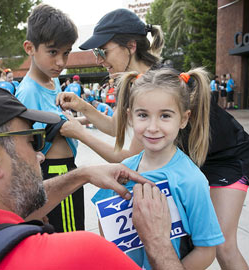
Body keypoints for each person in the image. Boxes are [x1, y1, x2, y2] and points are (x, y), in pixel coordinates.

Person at [57, 8, 249, 269]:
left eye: (103, 51)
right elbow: (118, 126)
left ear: (130, 46)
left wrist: (80, 133)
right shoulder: (134, 82)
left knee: (224, 246)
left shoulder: (163, 81)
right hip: (193, 155)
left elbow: (127, 157)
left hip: (226, 156)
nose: (99, 59)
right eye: (97, 53)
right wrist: (84, 107)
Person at [0, 76, 181, 270]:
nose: (40, 155)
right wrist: (158, 243)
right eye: (33, 141)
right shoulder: (80, 255)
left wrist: (81, 174)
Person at [92, 68, 224, 269]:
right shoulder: (122, 171)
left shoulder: (191, 180)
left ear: (184, 119)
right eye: (143, 115)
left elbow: (206, 251)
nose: (153, 127)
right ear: (130, 117)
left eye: (165, 116)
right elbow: (105, 223)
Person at [15, 4, 84, 232]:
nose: (61, 62)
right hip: (54, 172)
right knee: (68, 238)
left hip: (67, 169)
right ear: (30, 48)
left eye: (66, 53)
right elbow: (22, 145)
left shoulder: (52, 81)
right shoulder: (27, 92)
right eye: (53, 52)